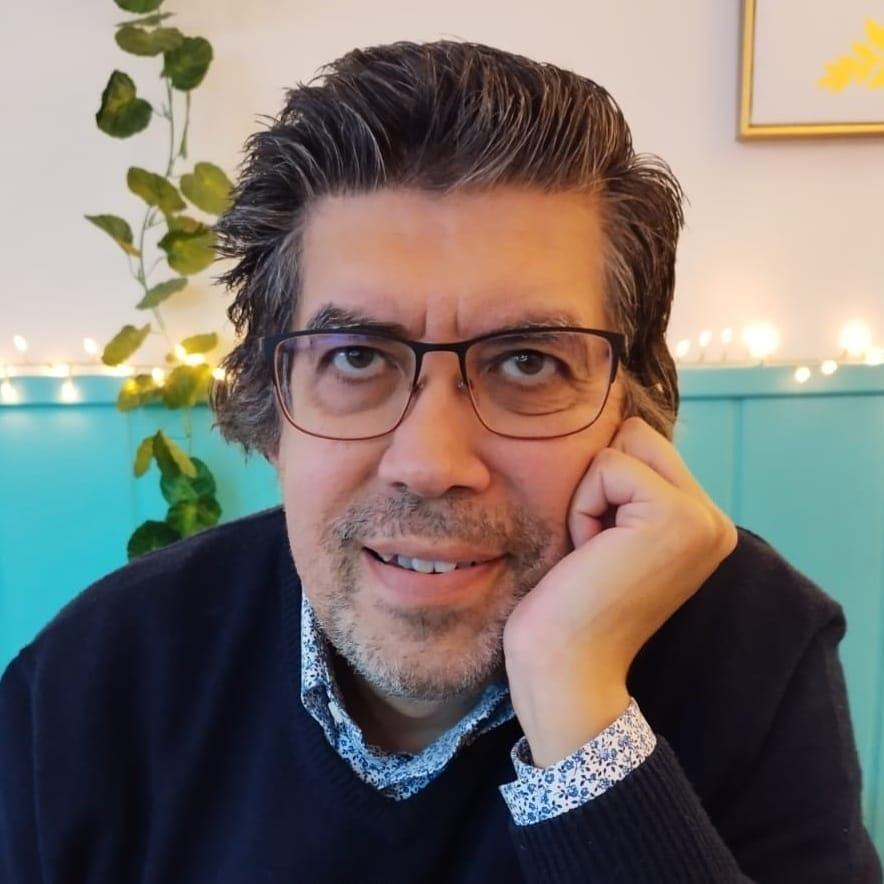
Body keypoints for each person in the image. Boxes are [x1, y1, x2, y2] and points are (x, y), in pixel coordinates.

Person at [1, 40, 880, 884]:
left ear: (630, 410)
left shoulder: (756, 648)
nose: (430, 463)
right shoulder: (92, 683)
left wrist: (576, 704)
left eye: (528, 362)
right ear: (272, 410)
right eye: (356, 358)